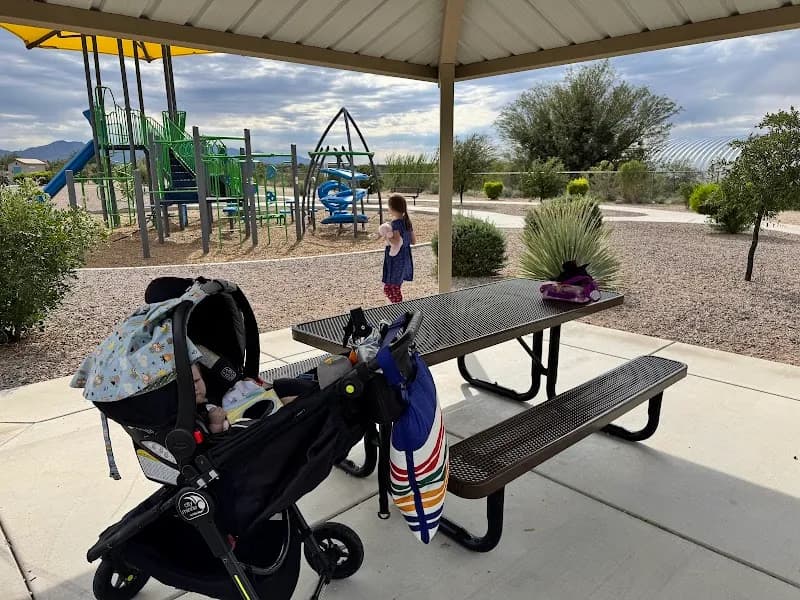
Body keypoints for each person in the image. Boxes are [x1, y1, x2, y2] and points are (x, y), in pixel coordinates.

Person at [381, 194, 416, 303]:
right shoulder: (407, 222)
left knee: (390, 288)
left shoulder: (395, 224)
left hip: (395, 259)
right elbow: (413, 241)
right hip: (405, 257)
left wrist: (386, 235)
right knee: (396, 286)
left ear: (392, 208)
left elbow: (396, 242)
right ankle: (395, 307)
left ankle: (397, 308)